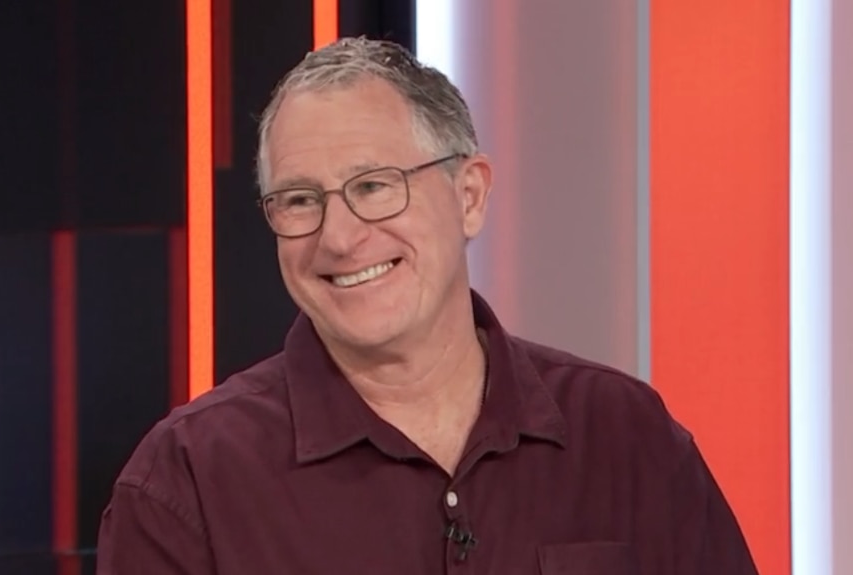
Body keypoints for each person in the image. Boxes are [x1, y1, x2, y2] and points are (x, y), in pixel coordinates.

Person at [96, 37, 758, 574]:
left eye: (375, 186)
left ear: (468, 195)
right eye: (299, 199)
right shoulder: (187, 483)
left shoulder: (626, 434)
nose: (339, 237)